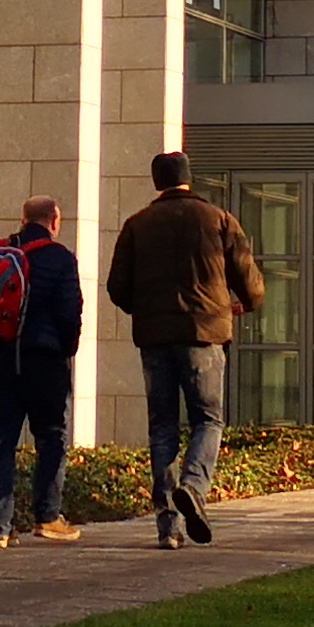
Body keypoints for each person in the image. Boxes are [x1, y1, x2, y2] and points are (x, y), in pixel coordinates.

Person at [105, 151, 266, 549]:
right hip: (204, 335)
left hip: (155, 338)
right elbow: (250, 280)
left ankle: (168, 526)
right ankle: (194, 486)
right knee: (208, 420)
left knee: (162, 427)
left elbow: (116, 288)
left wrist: (146, 310)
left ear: (157, 181)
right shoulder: (219, 220)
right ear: (189, 179)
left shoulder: (137, 225)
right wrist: (245, 303)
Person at [0, 198, 84, 548]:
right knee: (51, 436)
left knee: (1, 440)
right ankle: (48, 517)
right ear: (54, 221)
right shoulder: (60, 258)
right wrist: (66, 349)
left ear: (23, 220)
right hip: (44, 359)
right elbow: (70, 311)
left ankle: (1, 528)